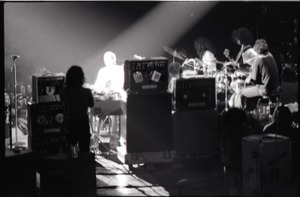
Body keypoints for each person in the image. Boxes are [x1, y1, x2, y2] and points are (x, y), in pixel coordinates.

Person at [229, 39, 280, 111]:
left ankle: (240, 116)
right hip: (275, 87)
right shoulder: (270, 55)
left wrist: (248, 77)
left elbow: (253, 80)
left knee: (240, 93)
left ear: (258, 49)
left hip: (265, 89)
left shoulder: (259, 60)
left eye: (255, 50)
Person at [60, 65, 94, 153]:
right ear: (82, 78)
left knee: (69, 148)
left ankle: (70, 165)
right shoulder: (87, 92)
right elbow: (91, 104)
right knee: (84, 148)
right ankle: (83, 165)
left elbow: (61, 101)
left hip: (69, 122)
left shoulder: (64, 91)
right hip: (82, 122)